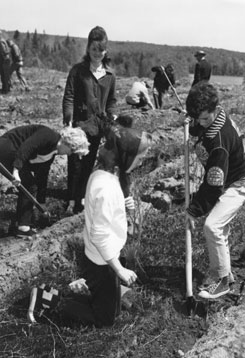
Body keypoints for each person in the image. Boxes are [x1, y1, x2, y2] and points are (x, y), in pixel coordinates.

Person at [27, 125, 152, 328]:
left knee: (112, 304)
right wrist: (119, 269)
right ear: (125, 155)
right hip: (104, 259)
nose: (140, 163)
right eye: (138, 158)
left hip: (101, 255)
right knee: (104, 320)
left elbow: (104, 213)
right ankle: (48, 301)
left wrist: (123, 204)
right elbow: (100, 234)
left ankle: (83, 291)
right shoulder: (106, 187)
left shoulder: (103, 174)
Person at [184, 82, 245, 299]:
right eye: (198, 119)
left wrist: (193, 210)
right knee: (219, 229)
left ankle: (222, 280)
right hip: (226, 181)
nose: (201, 123)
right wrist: (193, 125)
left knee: (212, 226)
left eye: (205, 119)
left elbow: (213, 185)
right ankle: (227, 273)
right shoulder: (217, 116)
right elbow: (202, 125)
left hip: (237, 185)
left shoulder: (219, 143)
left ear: (215, 109)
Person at [62, 26, 117, 215]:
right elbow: (69, 95)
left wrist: (112, 115)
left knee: (89, 163)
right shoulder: (78, 71)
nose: (97, 53)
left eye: (101, 50)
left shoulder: (109, 76)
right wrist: (68, 119)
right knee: (75, 164)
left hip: (97, 127)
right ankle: (71, 200)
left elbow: (111, 101)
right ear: (88, 48)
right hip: (79, 126)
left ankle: (83, 197)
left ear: (105, 50)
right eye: (94, 49)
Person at [0, 125, 89, 237]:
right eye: (71, 151)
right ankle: (22, 227)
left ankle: (20, 223)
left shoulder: (52, 152)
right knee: (29, 184)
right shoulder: (48, 135)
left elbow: (42, 175)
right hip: (6, 147)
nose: (69, 154)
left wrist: (41, 202)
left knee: (30, 184)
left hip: (14, 153)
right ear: (68, 143)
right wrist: (16, 171)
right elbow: (27, 147)